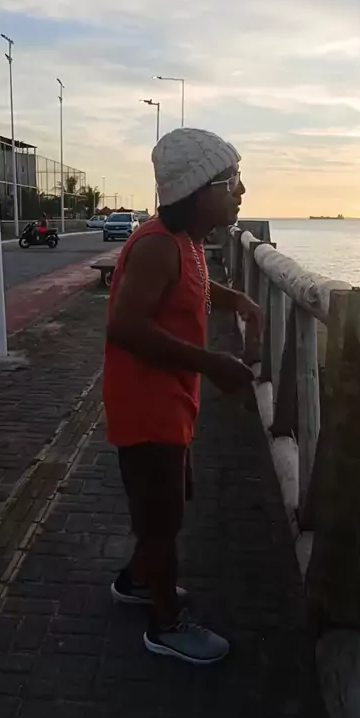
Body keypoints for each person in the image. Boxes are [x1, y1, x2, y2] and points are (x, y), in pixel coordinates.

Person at [103, 128, 262, 665]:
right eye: (232, 181)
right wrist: (213, 364)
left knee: (167, 502)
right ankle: (166, 624)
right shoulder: (156, 246)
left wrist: (236, 300)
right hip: (146, 405)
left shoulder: (189, 243)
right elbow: (125, 326)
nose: (241, 191)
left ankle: (136, 581)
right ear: (198, 190)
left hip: (170, 400)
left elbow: (194, 286)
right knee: (162, 517)